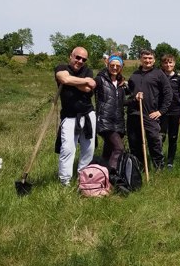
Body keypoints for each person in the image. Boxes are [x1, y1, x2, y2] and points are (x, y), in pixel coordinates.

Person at [54, 47, 96, 186]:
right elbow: (64, 78)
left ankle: (83, 178)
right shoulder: (61, 67)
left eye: (83, 59)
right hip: (69, 116)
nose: (80, 61)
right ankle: (64, 181)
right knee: (67, 149)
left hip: (88, 114)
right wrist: (82, 81)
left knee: (88, 149)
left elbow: (89, 88)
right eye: (77, 57)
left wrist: (70, 82)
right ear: (70, 56)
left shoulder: (87, 71)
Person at [127, 50, 172, 172]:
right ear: (140, 59)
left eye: (150, 58)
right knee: (135, 143)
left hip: (150, 114)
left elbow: (168, 94)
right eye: (145, 58)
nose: (147, 60)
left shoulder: (159, 74)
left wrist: (161, 111)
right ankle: (139, 169)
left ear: (154, 60)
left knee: (154, 142)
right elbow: (128, 95)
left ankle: (158, 169)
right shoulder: (134, 75)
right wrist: (134, 97)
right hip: (134, 114)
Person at [94, 55, 127, 170]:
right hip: (105, 121)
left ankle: (99, 175)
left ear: (121, 67)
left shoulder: (120, 84)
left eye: (117, 66)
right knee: (119, 148)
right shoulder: (100, 79)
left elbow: (122, 103)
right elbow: (88, 90)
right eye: (112, 65)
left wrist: (135, 99)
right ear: (107, 65)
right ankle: (111, 176)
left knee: (108, 151)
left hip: (117, 122)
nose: (114, 68)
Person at [159, 54, 180, 169]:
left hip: (175, 112)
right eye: (166, 62)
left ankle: (170, 161)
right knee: (160, 137)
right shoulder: (159, 76)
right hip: (162, 112)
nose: (168, 65)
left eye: (170, 62)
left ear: (174, 64)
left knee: (173, 137)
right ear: (162, 64)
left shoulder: (179, 78)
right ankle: (159, 160)